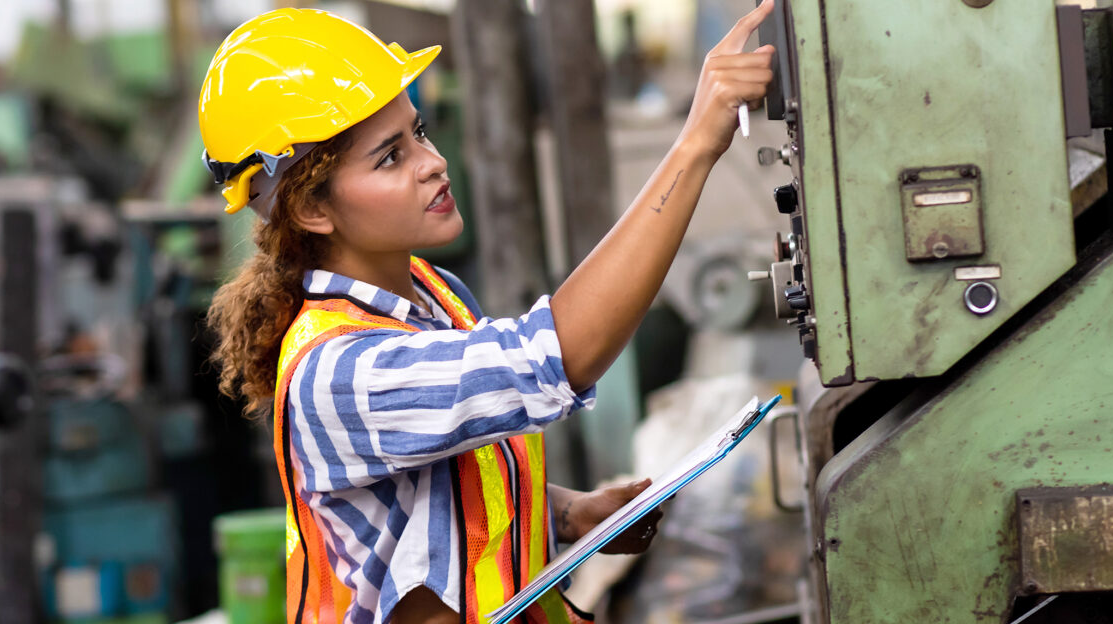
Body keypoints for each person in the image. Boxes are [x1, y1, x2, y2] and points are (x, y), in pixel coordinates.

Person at [200, 2, 774, 623]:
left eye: (418, 133)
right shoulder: (338, 373)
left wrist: (564, 513)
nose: (433, 162)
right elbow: (555, 355)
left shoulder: (430, 292)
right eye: (390, 157)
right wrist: (694, 145)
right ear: (313, 208)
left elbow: (431, 490)